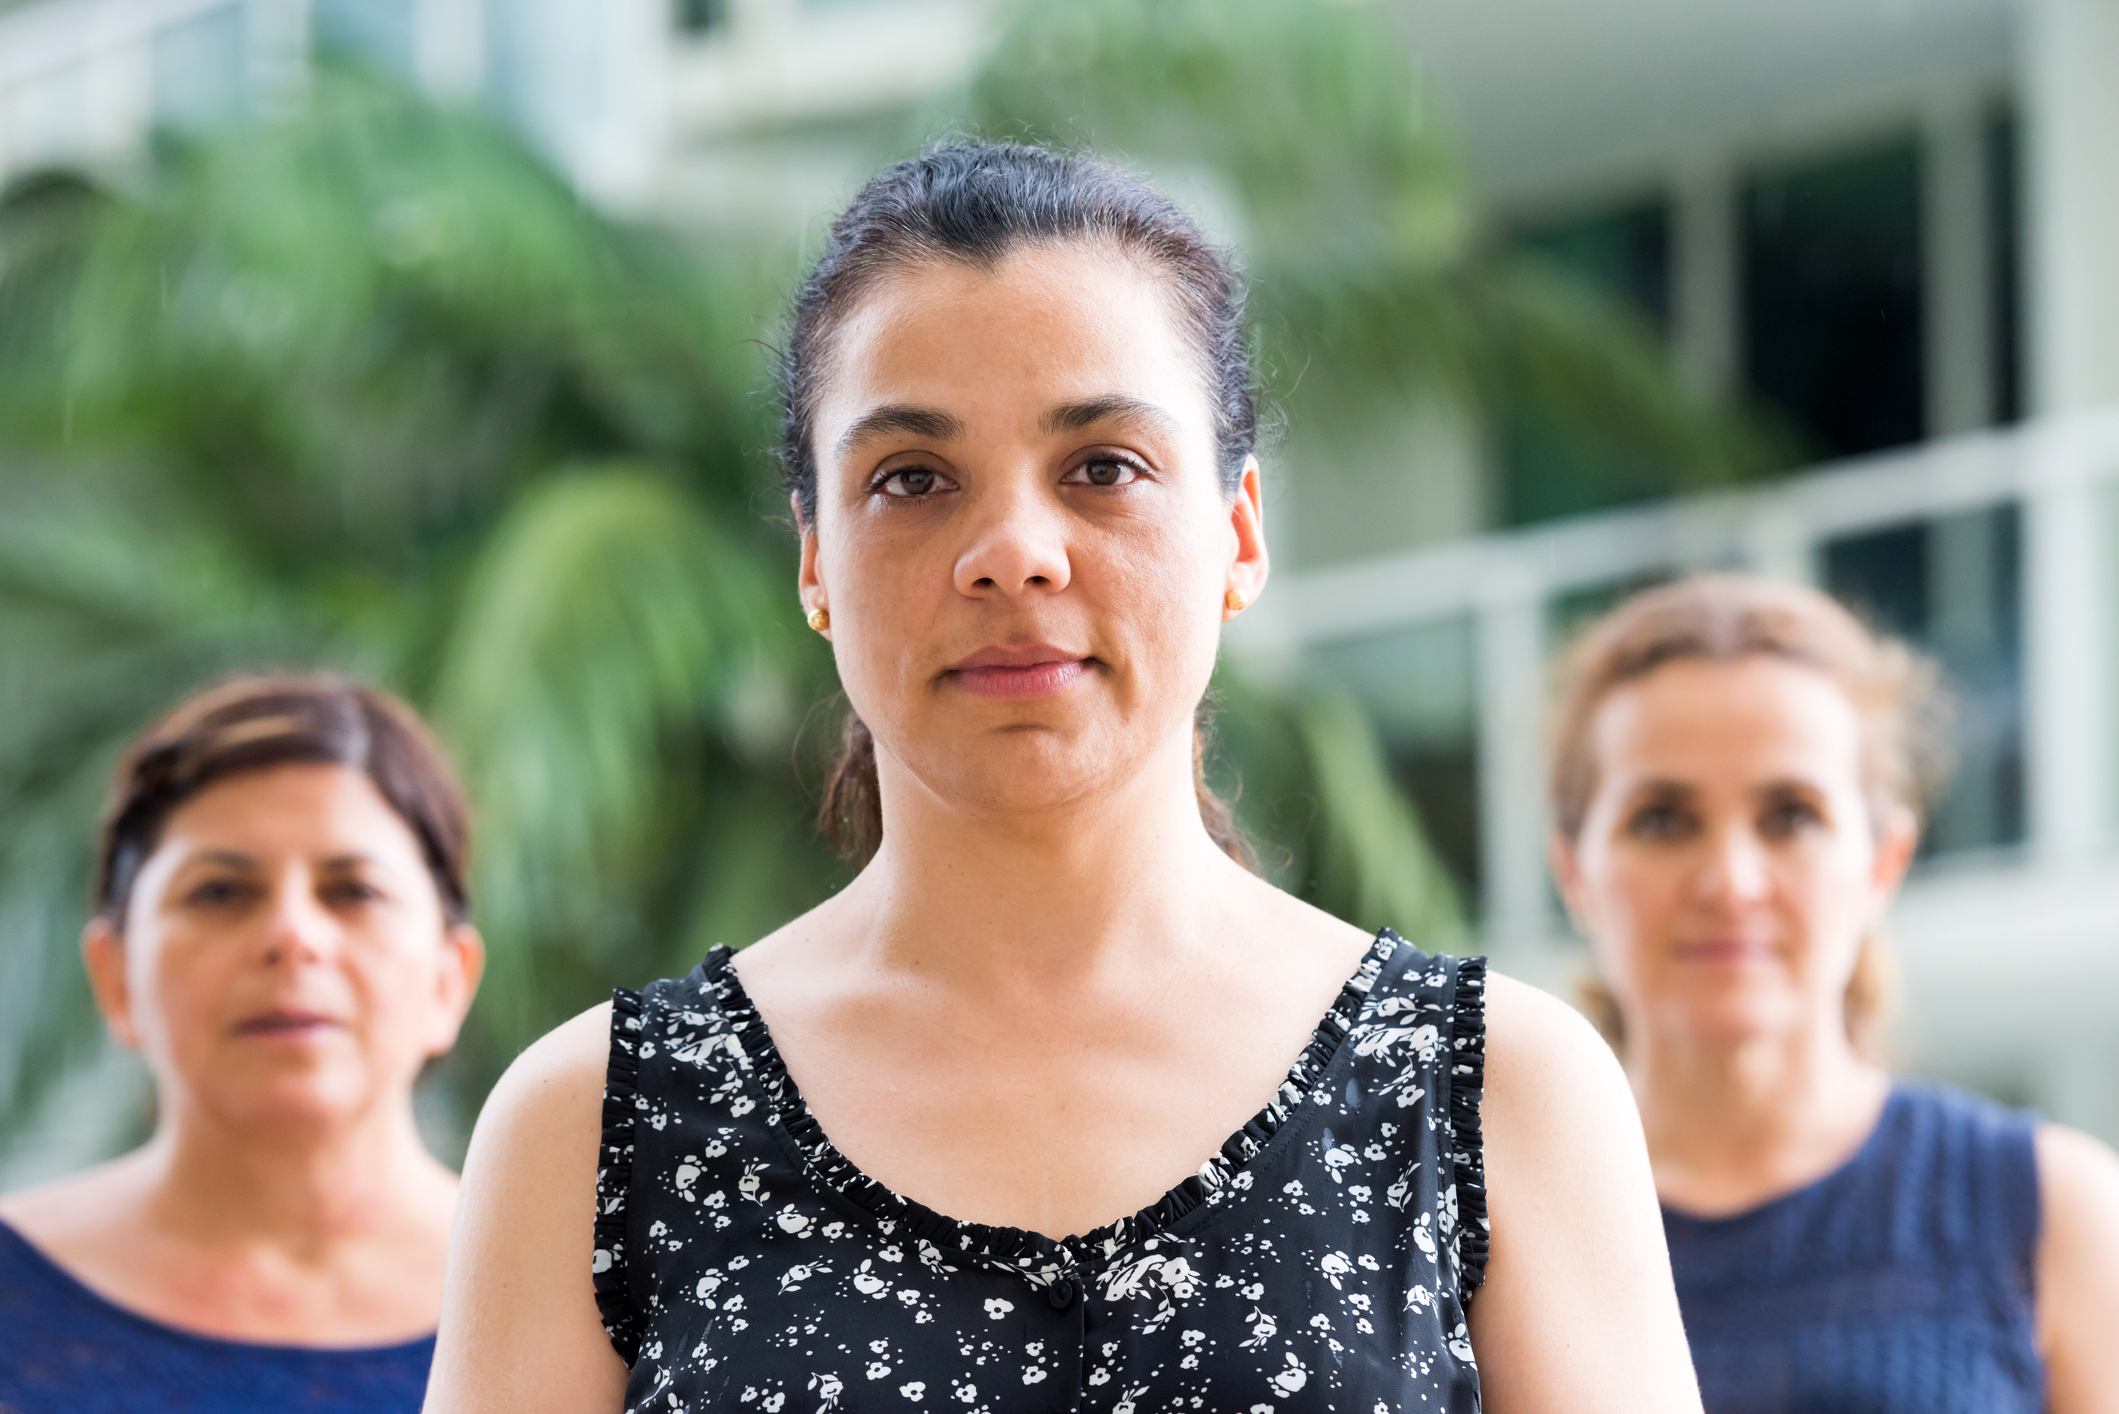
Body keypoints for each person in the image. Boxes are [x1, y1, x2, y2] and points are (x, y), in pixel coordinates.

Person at [424, 141, 1700, 1414]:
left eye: (1103, 467)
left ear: (1239, 533)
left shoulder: (1491, 1092)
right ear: (814, 564)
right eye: (912, 479)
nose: (1011, 554)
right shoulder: (596, 1128)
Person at [1547, 574, 2119, 1413]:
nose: (1729, 882)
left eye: (1791, 816)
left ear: (1882, 862)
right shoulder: (1502, 1230)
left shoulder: (2053, 1211)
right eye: (1663, 819)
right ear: (1572, 868)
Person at [0, 676, 486, 1414]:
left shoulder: (595, 1302)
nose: (291, 937)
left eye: (352, 890)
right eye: (220, 892)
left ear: (450, 979)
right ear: (115, 975)